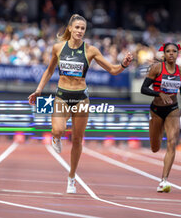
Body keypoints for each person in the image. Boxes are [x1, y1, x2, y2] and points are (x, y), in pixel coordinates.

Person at [28, 14, 133, 194]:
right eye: (77, 27)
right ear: (70, 28)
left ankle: (72, 177)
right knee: (58, 130)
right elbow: (48, 71)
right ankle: (56, 137)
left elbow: (113, 70)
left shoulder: (90, 50)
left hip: (81, 98)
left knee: (77, 140)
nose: (79, 31)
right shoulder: (58, 48)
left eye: (82, 29)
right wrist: (38, 90)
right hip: (62, 95)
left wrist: (123, 64)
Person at [141, 43, 181, 193]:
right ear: (164, 54)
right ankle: (157, 139)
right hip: (156, 110)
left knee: (172, 142)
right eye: (168, 51)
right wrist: (159, 93)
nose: (171, 54)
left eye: (174, 51)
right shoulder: (157, 68)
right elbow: (143, 89)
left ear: (177, 53)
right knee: (155, 147)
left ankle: (164, 180)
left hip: (172, 109)